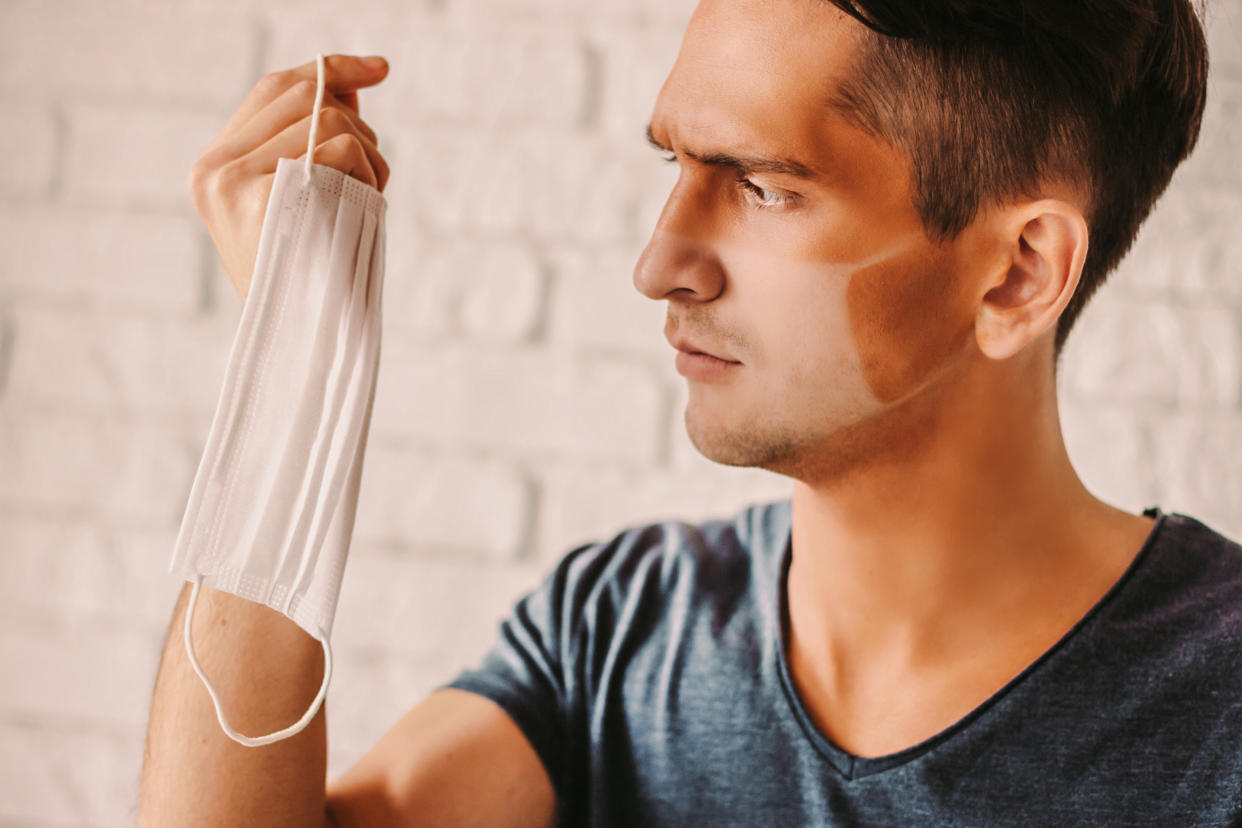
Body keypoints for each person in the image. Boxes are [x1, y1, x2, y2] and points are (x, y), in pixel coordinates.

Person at [139, 0, 1240, 825]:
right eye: (676, 163)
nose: (659, 261)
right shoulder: (620, 635)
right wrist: (295, 361)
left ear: (1016, 275)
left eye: (762, 184)